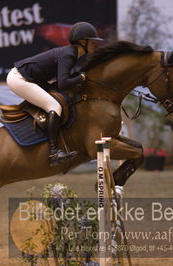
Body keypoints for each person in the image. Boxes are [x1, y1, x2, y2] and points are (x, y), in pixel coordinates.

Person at [6, 22, 103, 167]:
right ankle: (54, 152)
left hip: (30, 78)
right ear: (83, 42)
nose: (94, 44)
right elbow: (63, 82)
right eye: (92, 41)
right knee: (54, 106)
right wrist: (82, 78)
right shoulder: (69, 54)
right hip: (19, 79)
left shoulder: (74, 55)